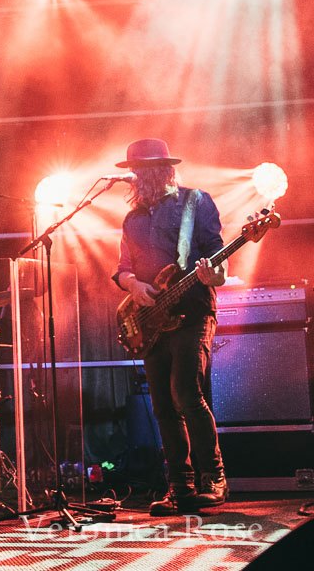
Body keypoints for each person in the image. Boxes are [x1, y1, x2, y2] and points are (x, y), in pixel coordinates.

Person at [111, 139, 228, 516]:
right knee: (162, 404)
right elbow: (123, 268)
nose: (138, 178)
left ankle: (214, 479)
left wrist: (215, 274)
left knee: (186, 393)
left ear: (164, 170)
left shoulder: (195, 203)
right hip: (151, 321)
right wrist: (133, 285)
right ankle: (180, 486)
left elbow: (218, 258)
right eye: (135, 171)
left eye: (145, 170)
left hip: (192, 311)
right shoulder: (132, 219)